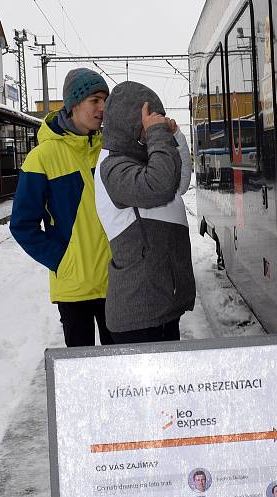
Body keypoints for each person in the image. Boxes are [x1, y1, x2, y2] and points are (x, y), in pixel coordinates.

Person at [10, 68, 114, 347]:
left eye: (105, 100)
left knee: (119, 373)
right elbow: (22, 225)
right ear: (74, 104)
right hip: (73, 288)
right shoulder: (42, 158)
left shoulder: (110, 150)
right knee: (82, 373)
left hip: (115, 281)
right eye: (95, 100)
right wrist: (62, 261)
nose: (102, 108)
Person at [95, 81, 195, 343]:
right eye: (149, 122)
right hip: (138, 313)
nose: (154, 127)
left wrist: (174, 138)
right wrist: (158, 136)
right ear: (130, 124)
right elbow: (160, 186)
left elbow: (179, 183)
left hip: (161, 304)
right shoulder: (112, 167)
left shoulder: (142, 159)